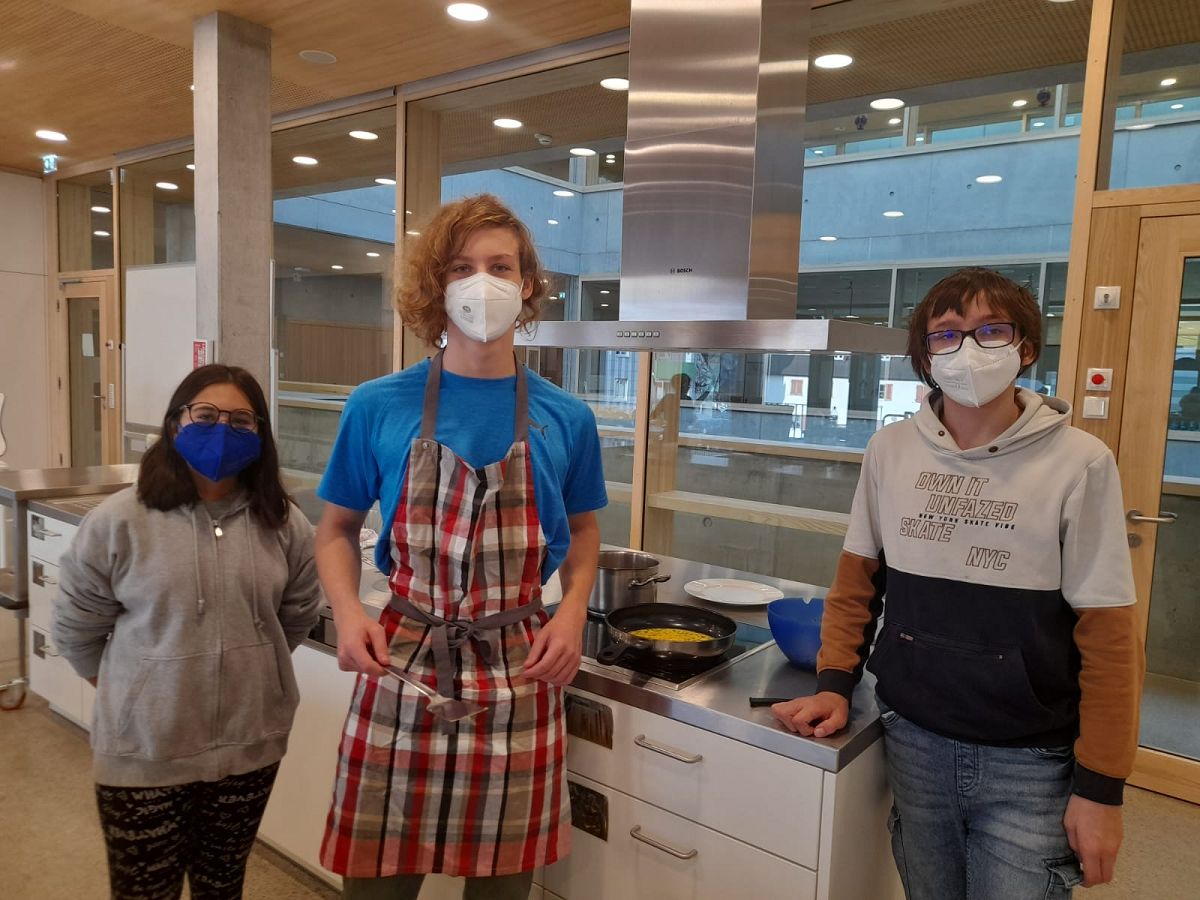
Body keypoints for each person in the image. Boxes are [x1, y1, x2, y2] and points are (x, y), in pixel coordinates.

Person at [772, 268, 1143, 898]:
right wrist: (834, 685)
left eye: (990, 330)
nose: (967, 348)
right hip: (913, 739)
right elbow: (856, 585)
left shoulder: (1080, 463)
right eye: (946, 334)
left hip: (1030, 761)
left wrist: (1102, 790)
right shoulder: (890, 451)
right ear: (926, 356)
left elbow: (1110, 638)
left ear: (1026, 348)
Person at [315, 194, 606, 898]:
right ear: (436, 285)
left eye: (500, 266)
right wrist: (349, 614)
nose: (483, 283)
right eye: (461, 267)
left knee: (503, 892)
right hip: (404, 663)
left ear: (527, 284)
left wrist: (571, 613)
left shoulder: (566, 416)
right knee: (377, 885)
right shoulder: (378, 404)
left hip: (519, 668)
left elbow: (584, 530)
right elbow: (335, 530)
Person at [53, 364, 323, 899]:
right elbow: (76, 628)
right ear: (176, 423)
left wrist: (255, 667)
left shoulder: (283, 523)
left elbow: (296, 614)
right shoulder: (119, 520)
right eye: (206, 415)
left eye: (241, 420)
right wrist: (136, 693)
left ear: (260, 433)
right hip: (144, 754)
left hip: (248, 751)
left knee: (222, 887)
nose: (223, 429)